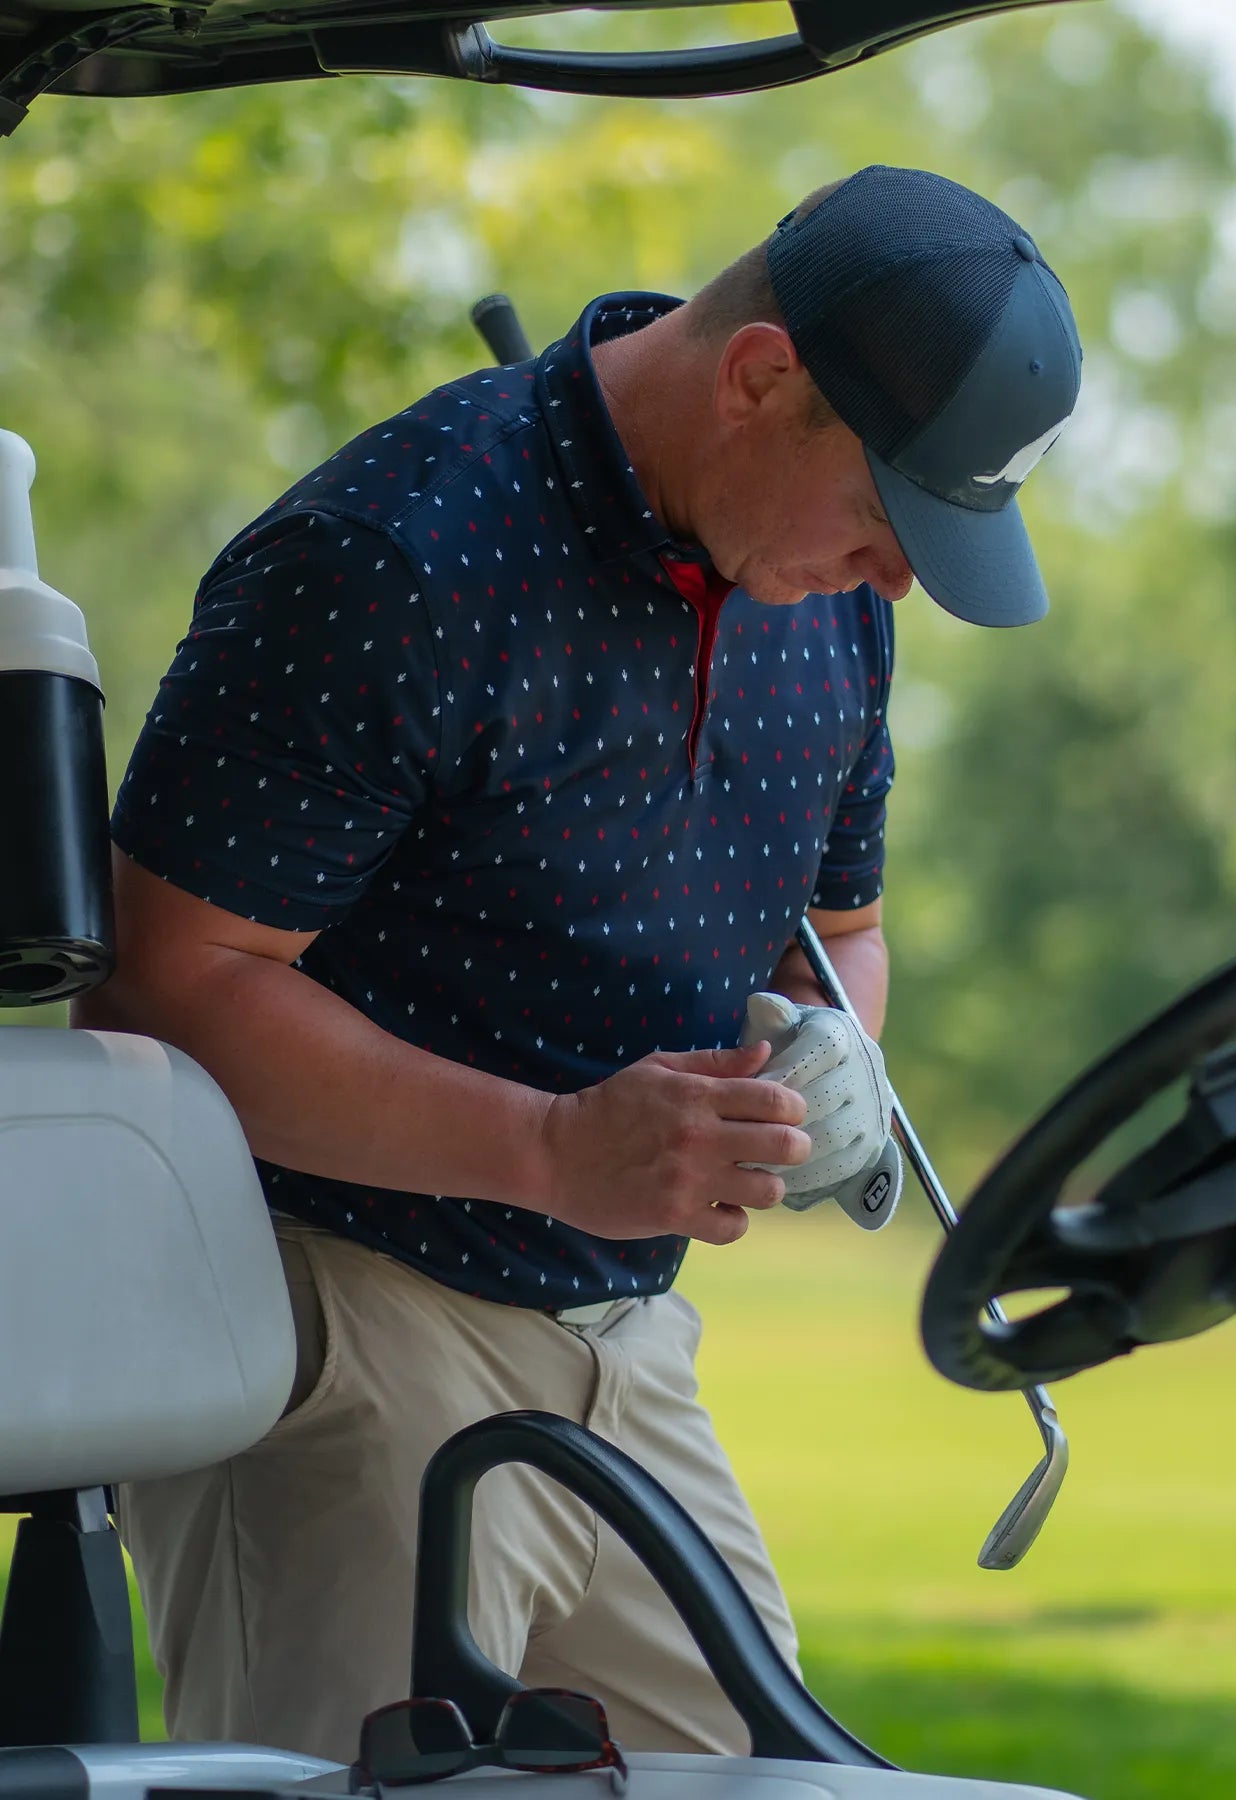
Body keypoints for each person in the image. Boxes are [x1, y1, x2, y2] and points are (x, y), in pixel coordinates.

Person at [75, 164, 1081, 1764]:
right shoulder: (389, 557)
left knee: (776, 1788)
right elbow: (156, 989)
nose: (901, 582)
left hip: (629, 1342)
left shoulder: (823, 604)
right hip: (347, 1326)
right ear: (763, 380)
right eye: (893, 520)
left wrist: (834, 1066)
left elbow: (844, 933)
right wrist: (549, 1148)